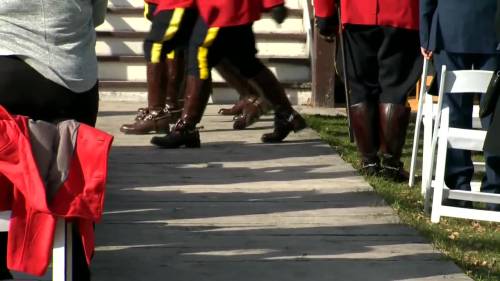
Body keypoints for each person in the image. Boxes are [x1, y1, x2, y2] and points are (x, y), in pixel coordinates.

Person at [0, 0, 108, 279]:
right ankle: (76, 264)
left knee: (4, 170)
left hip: (7, 70)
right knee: (75, 169)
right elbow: (96, 17)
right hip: (72, 81)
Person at [150, 0, 306, 148]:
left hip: (219, 9)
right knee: (246, 63)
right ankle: (288, 115)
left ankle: (186, 128)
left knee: (199, 59)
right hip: (236, 8)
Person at [314, 0, 421, 181]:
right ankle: (390, 164)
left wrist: (324, 14)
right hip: (402, 10)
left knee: (360, 87)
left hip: (358, 11)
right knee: (394, 88)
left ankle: (369, 161)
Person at [420, 0, 500, 208]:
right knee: (493, 115)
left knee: (453, 112)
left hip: (450, 27)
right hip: (492, 28)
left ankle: (459, 187)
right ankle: (494, 188)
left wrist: (426, 31)